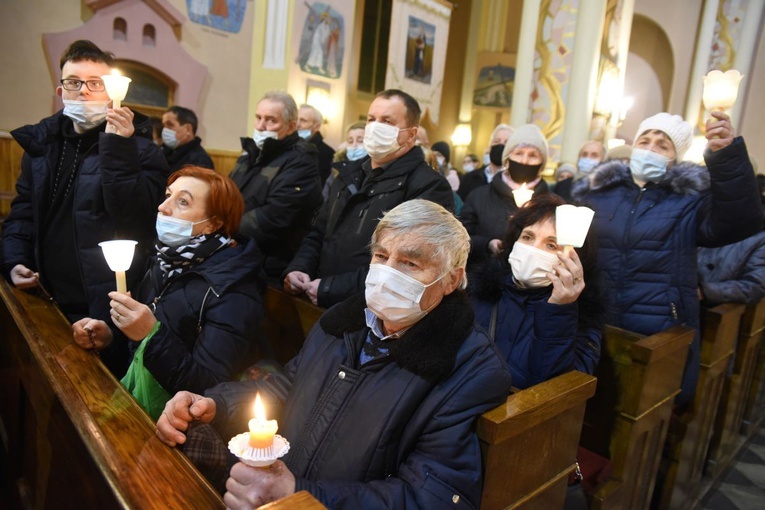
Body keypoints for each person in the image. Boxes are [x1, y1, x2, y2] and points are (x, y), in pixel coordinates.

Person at [156, 199, 513, 508]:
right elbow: (287, 388)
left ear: (451, 280)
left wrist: (302, 494)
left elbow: (430, 497)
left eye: (410, 264)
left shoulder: (468, 367)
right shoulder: (344, 321)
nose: (387, 274)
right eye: (381, 256)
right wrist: (215, 405)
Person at [1, 40, 169, 377]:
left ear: (111, 91)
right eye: (74, 82)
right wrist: (14, 259)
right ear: (60, 89)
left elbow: (136, 221)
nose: (83, 91)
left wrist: (118, 149)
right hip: (43, 295)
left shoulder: (141, 150)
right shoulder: (42, 144)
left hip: (100, 306)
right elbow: (23, 213)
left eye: (96, 83)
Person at [572, 111, 763, 404]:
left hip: (659, 322)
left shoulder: (690, 199)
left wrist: (726, 157)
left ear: (675, 158)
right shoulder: (600, 193)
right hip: (599, 315)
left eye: (662, 145)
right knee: (591, 403)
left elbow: (740, 221)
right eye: (644, 140)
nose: (650, 148)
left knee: (643, 407)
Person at [72, 167, 266, 420]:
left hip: (178, 422)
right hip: (140, 404)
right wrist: (110, 338)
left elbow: (208, 389)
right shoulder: (164, 261)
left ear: (213, 223)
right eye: (167, 195)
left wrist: (150, 335)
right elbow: (138, 349)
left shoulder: (234, 290)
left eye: (182, 202)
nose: (163, 207)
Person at [282, 89, 454, 308]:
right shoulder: (348, 175)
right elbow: (319, 233)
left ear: (411, 134)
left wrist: (331, 288)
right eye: (371, 119)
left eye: (387, 121)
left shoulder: (429, 186)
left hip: (370, 309)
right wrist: (299, 268)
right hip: (318, 296)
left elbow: (406, 265)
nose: (375, 127)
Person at [470, 194, 603, 388]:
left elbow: (552, 392)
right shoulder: (483, 291)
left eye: (551, 245)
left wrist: (559, 310)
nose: (532, 249)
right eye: (527, 237)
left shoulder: (582, 318)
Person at [229, 91, 322, 281]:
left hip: (268, 262)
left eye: (271, 120)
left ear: (290, 126)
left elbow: (273, 217)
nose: (261, 126)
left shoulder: (301, 161)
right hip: (236, 249)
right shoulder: (251, 153)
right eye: (258, 118)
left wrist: (222, 225)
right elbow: (226, 193)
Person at [460, 123, 550, 268]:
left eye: (533, 155)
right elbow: (459, 237)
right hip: (484, 278)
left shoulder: (551, 204)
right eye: (519, 153)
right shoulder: (479, 196)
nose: (525, 161)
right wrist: (487, 244)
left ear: (542, 164)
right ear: (507, 160)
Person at [698, 227, 765, 306]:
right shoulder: (707, 223)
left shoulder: (760, 240)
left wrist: (704, 292)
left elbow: (754, 287)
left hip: (708, 308)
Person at [458, 123, 512, 201]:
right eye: (497, 141)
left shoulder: (515, 182)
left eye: (506, 142)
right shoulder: (470, 178)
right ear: (489, 146)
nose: (501, 145)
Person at [161, 105, 214, 172]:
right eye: (163, 125)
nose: (164, 130)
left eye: (170, 125)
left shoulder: (199, 160)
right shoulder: (167, 152)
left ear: (187, 129)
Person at [322, 121, 366, 201]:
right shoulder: (338, 169)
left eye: (360, 141)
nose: (354, 145)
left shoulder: (372, 171)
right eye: (350, 141)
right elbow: (325, 199)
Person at [297, 104, 335, 184]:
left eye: (303, 120)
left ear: (316, 126)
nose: (297, 124)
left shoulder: (327, 153)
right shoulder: (289, 146)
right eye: (296, 119)